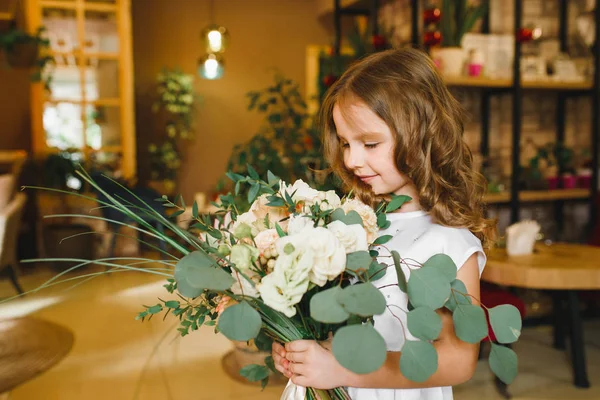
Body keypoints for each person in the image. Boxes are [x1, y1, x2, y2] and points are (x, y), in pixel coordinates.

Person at [271, 47, 496, 399]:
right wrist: (297, 347)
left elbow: (458, 359)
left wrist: (343, 371)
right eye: (345, 143)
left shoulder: (448, 243)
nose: (352, 159)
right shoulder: (343, 221)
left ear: (421, 136)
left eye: (370, 143)